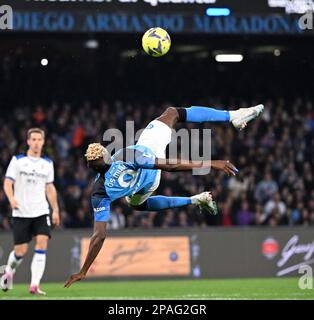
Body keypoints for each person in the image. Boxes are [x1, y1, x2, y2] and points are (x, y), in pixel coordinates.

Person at [64, 104, 264, 287]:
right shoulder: (124, 155)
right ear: (107, 155)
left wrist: (83, 271)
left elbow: (99, 236)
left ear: (92, 168)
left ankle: (196, 199)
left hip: (144, 188)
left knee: (136, 205)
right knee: (173, 113)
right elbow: (170, 165)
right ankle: (233, 116)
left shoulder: (98, 191)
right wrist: (211, 162)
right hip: (150, 154)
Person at [0, 128, 60, 295]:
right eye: (33, 139)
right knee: (20, 251)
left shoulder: (47, 164)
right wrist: (11, 199)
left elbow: (50, 188)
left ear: (43, 142)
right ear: (28, 141)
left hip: (41, 211)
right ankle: (8, 272)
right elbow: (7, 182)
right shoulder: (18, 161)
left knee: (42, 243)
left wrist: (55, 210)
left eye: (38, 139)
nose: (36, 142)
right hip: (21, 212)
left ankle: (34, 285)